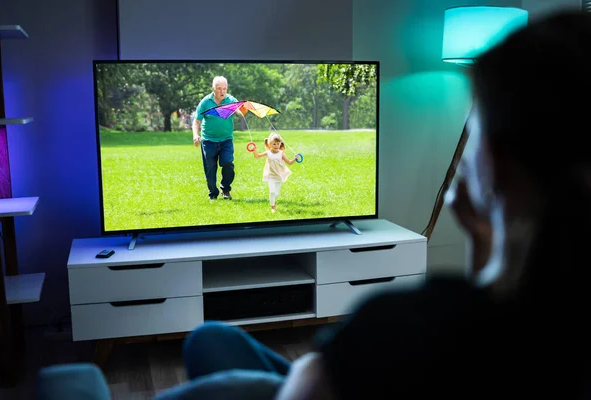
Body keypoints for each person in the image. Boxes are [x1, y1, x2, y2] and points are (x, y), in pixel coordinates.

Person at [156, 9, 591, 400]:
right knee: (210, 338)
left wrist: (319, 363)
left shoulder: (407, 323)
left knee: (208, 341)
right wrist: (484, 247)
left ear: (493, 164)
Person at [193, 76, 241, 200]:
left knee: (228, 163)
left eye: (224, 89)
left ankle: (225, 189)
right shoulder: (205, 102)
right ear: (213, 89)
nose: (222, 92)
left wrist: (240, 111)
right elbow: (196, 121)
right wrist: (195, 135)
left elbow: (240, 111)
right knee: (210, 169)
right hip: (208, 141)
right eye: (219, 89)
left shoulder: (231, 100)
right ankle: (213, 194)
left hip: (226, 140)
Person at [251, 132, 299, 212]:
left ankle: (274, 201)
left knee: (277, 194)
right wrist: (254, 150)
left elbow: (289, 162)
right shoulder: (268, 153)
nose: (276, 146)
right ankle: (272, 207)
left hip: (279, 176)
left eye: (278, 144)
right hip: (271, 175)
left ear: (280, 144)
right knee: (272, 192)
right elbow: (257, 156)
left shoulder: (281, 154)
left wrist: (295, 159)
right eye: (274, 144)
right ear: (270, 144)